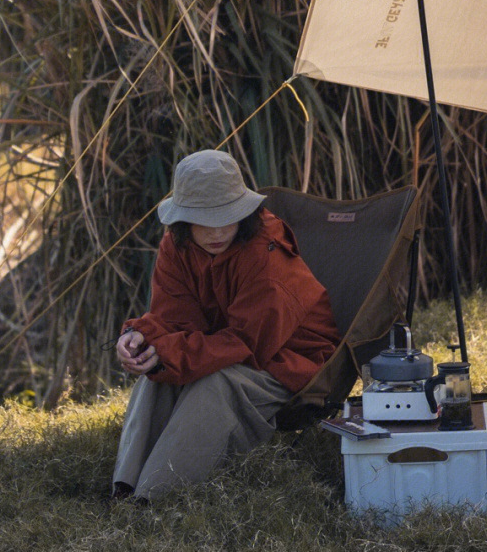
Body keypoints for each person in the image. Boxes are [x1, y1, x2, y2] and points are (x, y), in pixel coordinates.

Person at [111, 148, 341, 501]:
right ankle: (124, 488)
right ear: (184, 220)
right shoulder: (177, 244)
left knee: (216, 385)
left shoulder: (265, 252)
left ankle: (154, 497)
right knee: (156, 377)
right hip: (225, 345)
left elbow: (246, 343)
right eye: (204, 220)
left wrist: (165, 351)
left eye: (227, 217)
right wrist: (142, 338)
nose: (217, 231)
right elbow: (174, 317)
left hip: (287, 358)